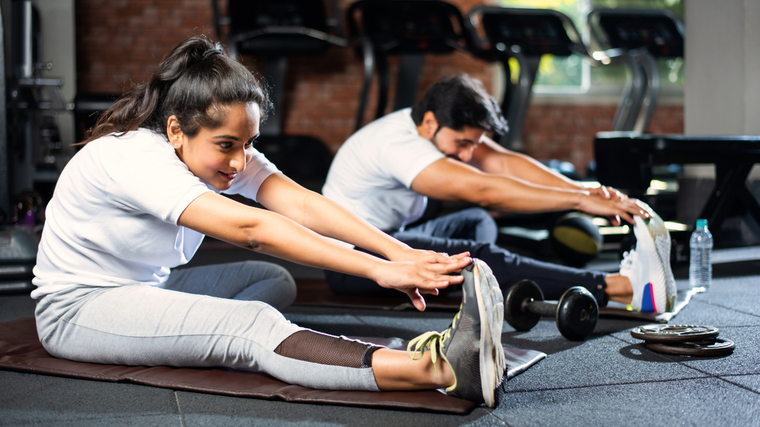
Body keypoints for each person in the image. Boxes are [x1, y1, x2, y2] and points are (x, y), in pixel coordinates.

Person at [31, 37, 507, 407]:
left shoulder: (216, 144)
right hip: (78, 310)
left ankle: (219, 335)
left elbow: (299, 203)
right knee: (251, 321)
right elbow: (252, 229)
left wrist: (396, 250)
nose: (240, 162)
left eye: (248, 144)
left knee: (270, 282)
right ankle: (442, 370)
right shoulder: (135, 158)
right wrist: (375, 269)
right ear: (176, 128)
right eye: (227, 146)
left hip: (147, 290)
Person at [322, 74, 677, 314]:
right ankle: (621, 288)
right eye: (462, 144)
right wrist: (579, 201)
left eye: (472, 146)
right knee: (476, 255)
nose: (466, 155)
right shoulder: (397, 145)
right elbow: (484, 189)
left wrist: (583, 188)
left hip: (391, 238)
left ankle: (484, 282)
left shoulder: (422, 124)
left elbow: (503, 163)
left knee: (475, 224)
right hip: (354, 262)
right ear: (430, 122)